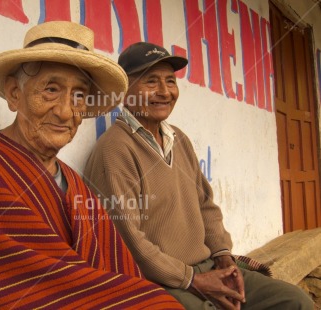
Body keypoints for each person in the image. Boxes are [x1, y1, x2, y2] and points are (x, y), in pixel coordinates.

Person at [0, 23, 183, 309]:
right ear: (15, 93)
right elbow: (6, 283)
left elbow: (114, 268)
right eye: (51, 90)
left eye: (79, 95)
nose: (66, 112)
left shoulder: (77, 187)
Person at [83, 42, 314, 310]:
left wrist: (224, 257)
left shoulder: (178, 138)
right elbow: (130, 243)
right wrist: (192, 279)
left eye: (170, 81)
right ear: (126, 91)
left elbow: (206, 205)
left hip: (207, 265)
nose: (164, 92)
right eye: (151, 81)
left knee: (294, 301)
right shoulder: (114, 149)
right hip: (162, 280)